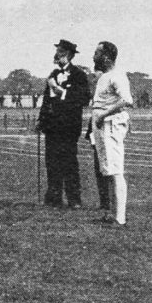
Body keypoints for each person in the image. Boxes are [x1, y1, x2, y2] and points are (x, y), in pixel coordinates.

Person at [36, 39, 91, 209]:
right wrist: (41, 119)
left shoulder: (79, 75)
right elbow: (46, 100)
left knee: (69, 162)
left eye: (60, 52)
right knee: (52, 162)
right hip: (52, 126)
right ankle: (54, 197)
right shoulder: (53, 74)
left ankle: (74, 199)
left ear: (68, 55)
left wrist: (61, 91)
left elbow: (83, 99)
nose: (56, 55)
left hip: (68, 126)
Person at [91, 41, 133, 227]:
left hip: (111, 125)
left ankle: (120, 218)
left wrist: (105, 114)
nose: (94, 57)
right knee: (107, 169)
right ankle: (111, 213)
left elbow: (127, 100)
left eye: (97, 53)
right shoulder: (104, 77)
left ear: (106, 57)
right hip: (101, 125)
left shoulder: (117, 76)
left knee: (115, 170)